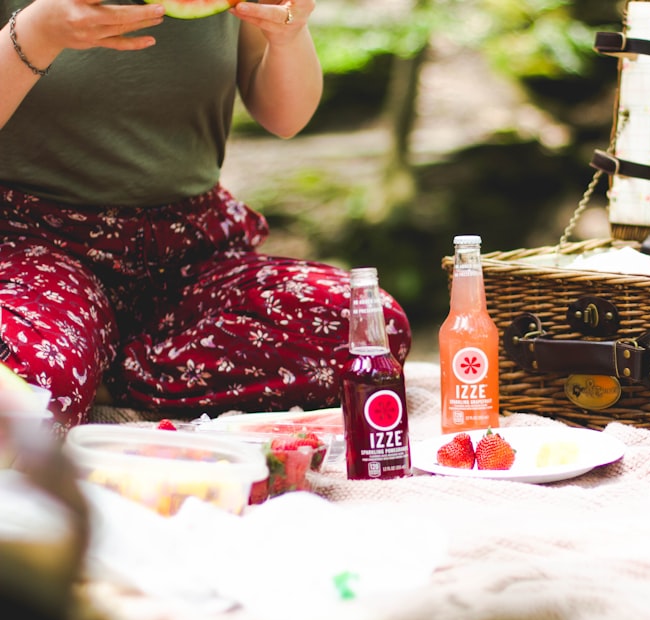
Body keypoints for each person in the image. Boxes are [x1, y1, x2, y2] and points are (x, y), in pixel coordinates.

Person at [0, 0, 412, 430]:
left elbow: (286, 117)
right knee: (20, 390)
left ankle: (97, 370)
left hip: (191, 253)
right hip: (38, 249)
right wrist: (36, 33)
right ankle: (85, 358)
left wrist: (288, 33)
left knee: (368, 332)